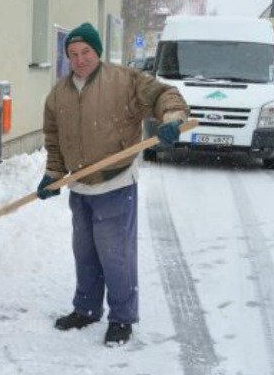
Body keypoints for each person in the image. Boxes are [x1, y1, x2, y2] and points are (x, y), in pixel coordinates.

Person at [38, 22, 188, 347]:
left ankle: (121, 318)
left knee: (116, 255)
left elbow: (165, 95)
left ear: (98, 52)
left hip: (115, 183)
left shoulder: (124, 81)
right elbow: (54, 138)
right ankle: (88, 309)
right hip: (80, 187)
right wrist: (52, 174)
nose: (80, 60)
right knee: (85, 254)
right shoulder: (59, 95)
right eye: (73, 54)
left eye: (86, 52)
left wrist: (172, 119)